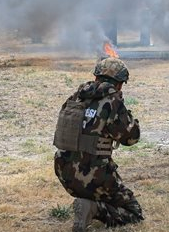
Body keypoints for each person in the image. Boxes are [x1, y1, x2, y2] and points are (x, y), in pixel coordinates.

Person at [53, 57, 144, 232]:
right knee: (133, 212)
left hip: (65, 172)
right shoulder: (112, 103)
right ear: (119, 84)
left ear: (96, 78)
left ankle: (88, 203)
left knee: (101, 191)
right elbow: (131, 138)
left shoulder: (75, 97)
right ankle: (92, 208)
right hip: (94, 175)